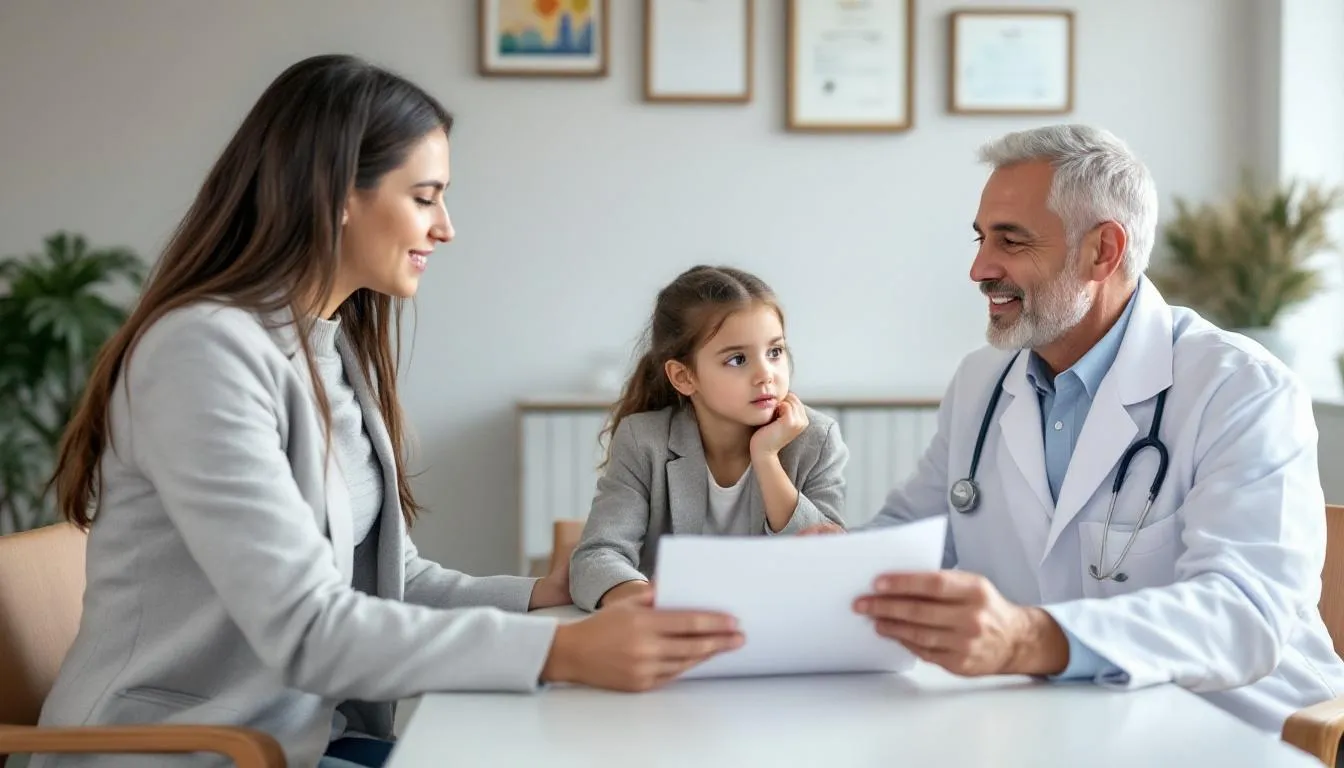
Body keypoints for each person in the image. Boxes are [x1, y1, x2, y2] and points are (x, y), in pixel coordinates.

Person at [34, 54, 742, 768]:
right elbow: (309, 627)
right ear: (338, 193)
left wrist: (544, 596)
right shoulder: (201, 353)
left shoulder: (331, 351)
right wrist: (561, 650)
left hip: (304, 742)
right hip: (183, 753)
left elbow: (392, 580)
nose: (446, 228)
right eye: (426, 196)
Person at [839, 123, 1344, 734]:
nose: (979, 267)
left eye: (1011, 241)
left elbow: (1243, 615)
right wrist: (837, 563)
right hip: (1059, 727)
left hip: (1239, 732)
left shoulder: (1241, 389)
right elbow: (914, 539)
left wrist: (1029, 638)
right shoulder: (983, 381)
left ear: (1102, 251)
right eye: (980, 239)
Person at [568, 265, 849, 612]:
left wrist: (766, 459)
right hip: (678, 635)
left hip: (781, 632)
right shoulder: (645, 441)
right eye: (737, 359)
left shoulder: (816, 440)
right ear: (684, 377)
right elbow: (597, 556)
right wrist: (648, 603)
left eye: (774, 352)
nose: (766, 375)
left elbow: (830, 564)